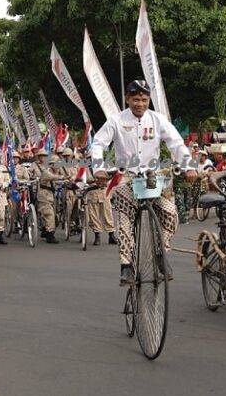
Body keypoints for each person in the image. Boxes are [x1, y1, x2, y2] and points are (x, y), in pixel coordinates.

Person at [91, 80, 197, 286]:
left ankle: (160, 254)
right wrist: (99, 168)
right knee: (125, 218)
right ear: (127, 99)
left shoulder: (158, 120)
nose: (140, 103)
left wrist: (190, 167)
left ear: (148, 100)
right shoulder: (116, 121)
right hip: (127, 176)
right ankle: (126, 266)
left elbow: (176, 143)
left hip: (153, 176)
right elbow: (98, 144)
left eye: (144, 99)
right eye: (135, 99)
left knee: (170, 214)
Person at [36, 152, 69, 244]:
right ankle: (50, 235)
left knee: (53, 215)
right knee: (49, 214)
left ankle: (45, 230)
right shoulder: (46, 172)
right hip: (44, 195)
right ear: (51, 164)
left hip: (51, 195)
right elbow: (54, 177)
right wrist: (63, 177)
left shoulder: (57, 171)